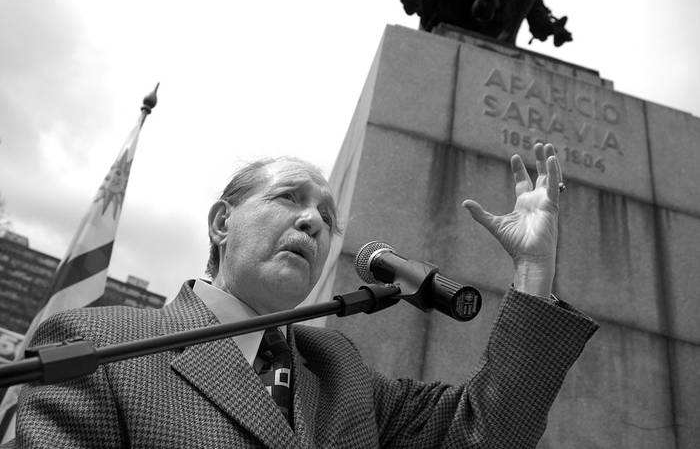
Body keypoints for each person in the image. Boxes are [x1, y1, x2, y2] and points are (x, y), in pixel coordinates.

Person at [3, 142, 597, 448]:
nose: (313, 222)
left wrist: (533, 271)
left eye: (327, 217)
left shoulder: (340, 372)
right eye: (289, 198)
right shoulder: (102, 346)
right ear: (220, 223)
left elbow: (487, 431)